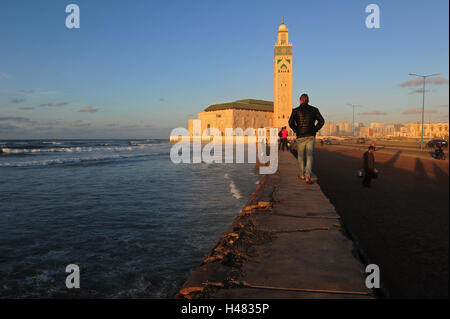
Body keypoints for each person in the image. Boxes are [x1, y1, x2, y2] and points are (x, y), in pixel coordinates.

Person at [288, 93, 325, 184]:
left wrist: (296, 129)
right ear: (308, 100)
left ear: (300, 100)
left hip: (300, 136)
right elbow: (322, 121)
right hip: (310, 136)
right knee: (310, 156)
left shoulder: (296, 110)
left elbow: (290, 122)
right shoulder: (314, 110)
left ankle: (301, 174)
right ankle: (308, 176)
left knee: (300, 156)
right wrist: (315, 129)